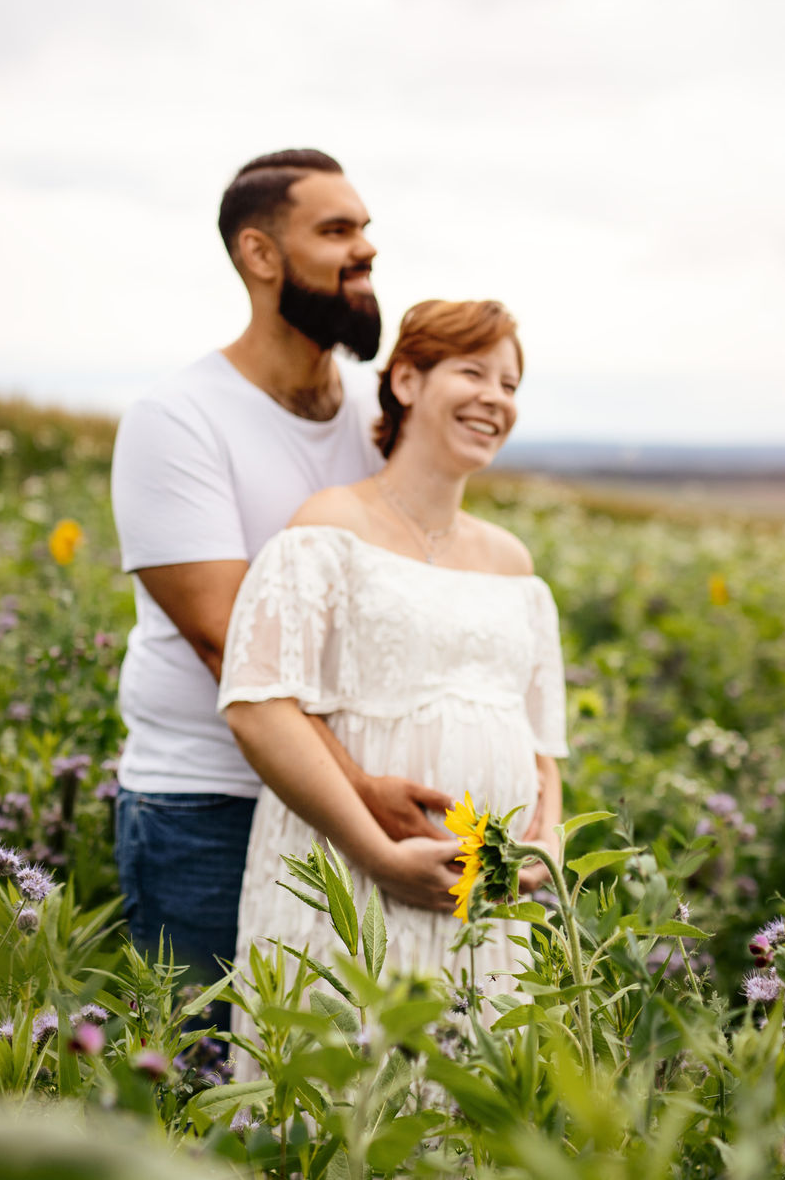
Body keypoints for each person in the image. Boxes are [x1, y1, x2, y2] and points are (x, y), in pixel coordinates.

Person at [110, 150, 455, 1001]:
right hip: (208, 808)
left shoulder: (377, 425)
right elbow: (226, 639)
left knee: (322, 1089)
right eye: (336, 230)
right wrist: (360, 793)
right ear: (260, 255)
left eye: (366, 227)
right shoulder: (178, 419)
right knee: (200, 1077)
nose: (365, 248)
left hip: (352, 801)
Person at [218, 299, 569, 1031]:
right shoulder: (328, 526)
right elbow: (258, 703)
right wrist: (378, 853)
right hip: (350, 879)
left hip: (487, 907)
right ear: (406, 380)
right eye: (473, 372)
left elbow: (540, 740)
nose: (496, 399)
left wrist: (551, 840)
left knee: (470, 1114)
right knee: (343, 1098)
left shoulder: (513, 562)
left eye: (510, 385)